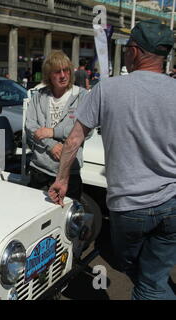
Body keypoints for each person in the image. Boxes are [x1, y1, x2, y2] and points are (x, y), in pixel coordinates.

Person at [48, 19, 176, 300]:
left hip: (129, 207)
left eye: (128, 47)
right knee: (152, 276)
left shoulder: (107, 89)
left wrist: (61, 179)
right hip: (171, 204)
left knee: (141, 276)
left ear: (136, 52)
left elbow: (74, 139)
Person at [25, 50, 89, 201]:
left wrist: (53, 132)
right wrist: (51, 145)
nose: (63, 75)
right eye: (57, 71)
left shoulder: (82, 96)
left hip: (69, 171)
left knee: (66, 218)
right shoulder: (39, 96)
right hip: (40, 169)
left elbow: (87, 130)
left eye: (66, 70)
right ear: (48, 75)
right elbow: (30, 127)